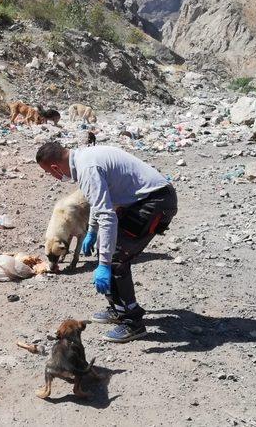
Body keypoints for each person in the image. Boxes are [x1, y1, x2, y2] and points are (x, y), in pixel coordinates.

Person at [36, 142, 178, 343]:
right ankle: (118, 309)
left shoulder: (87, 168)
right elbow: (100, 201)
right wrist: (92, 231)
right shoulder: (84, 160)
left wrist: (103, 264)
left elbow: (107, 215)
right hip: (142, 201)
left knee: (117, 257)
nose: (52, 177)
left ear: (55, 168)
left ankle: (133, 322)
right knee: (110, 249)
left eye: (48, 173)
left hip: (155, 202)